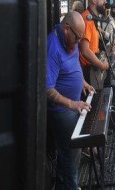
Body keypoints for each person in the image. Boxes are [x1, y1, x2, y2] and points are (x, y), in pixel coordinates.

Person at [46, 11, 95, 189]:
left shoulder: (70, 42)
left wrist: (83, 83)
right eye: (77, 37)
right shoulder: (52, 46)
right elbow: (47, 89)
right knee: (72, 155)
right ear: (67, 29)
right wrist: (73, 104)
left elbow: (73, 66)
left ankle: (62, 185)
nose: (79, 41)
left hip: (73, 105)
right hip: (61, 111)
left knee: (69, 155)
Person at [79, 0, 109, 89]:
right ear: (94, 0)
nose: (105, 1)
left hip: (92, 68)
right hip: (87, 71)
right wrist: (101, 65)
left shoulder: (93, 18)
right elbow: (85, 50)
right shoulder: (87, 20)